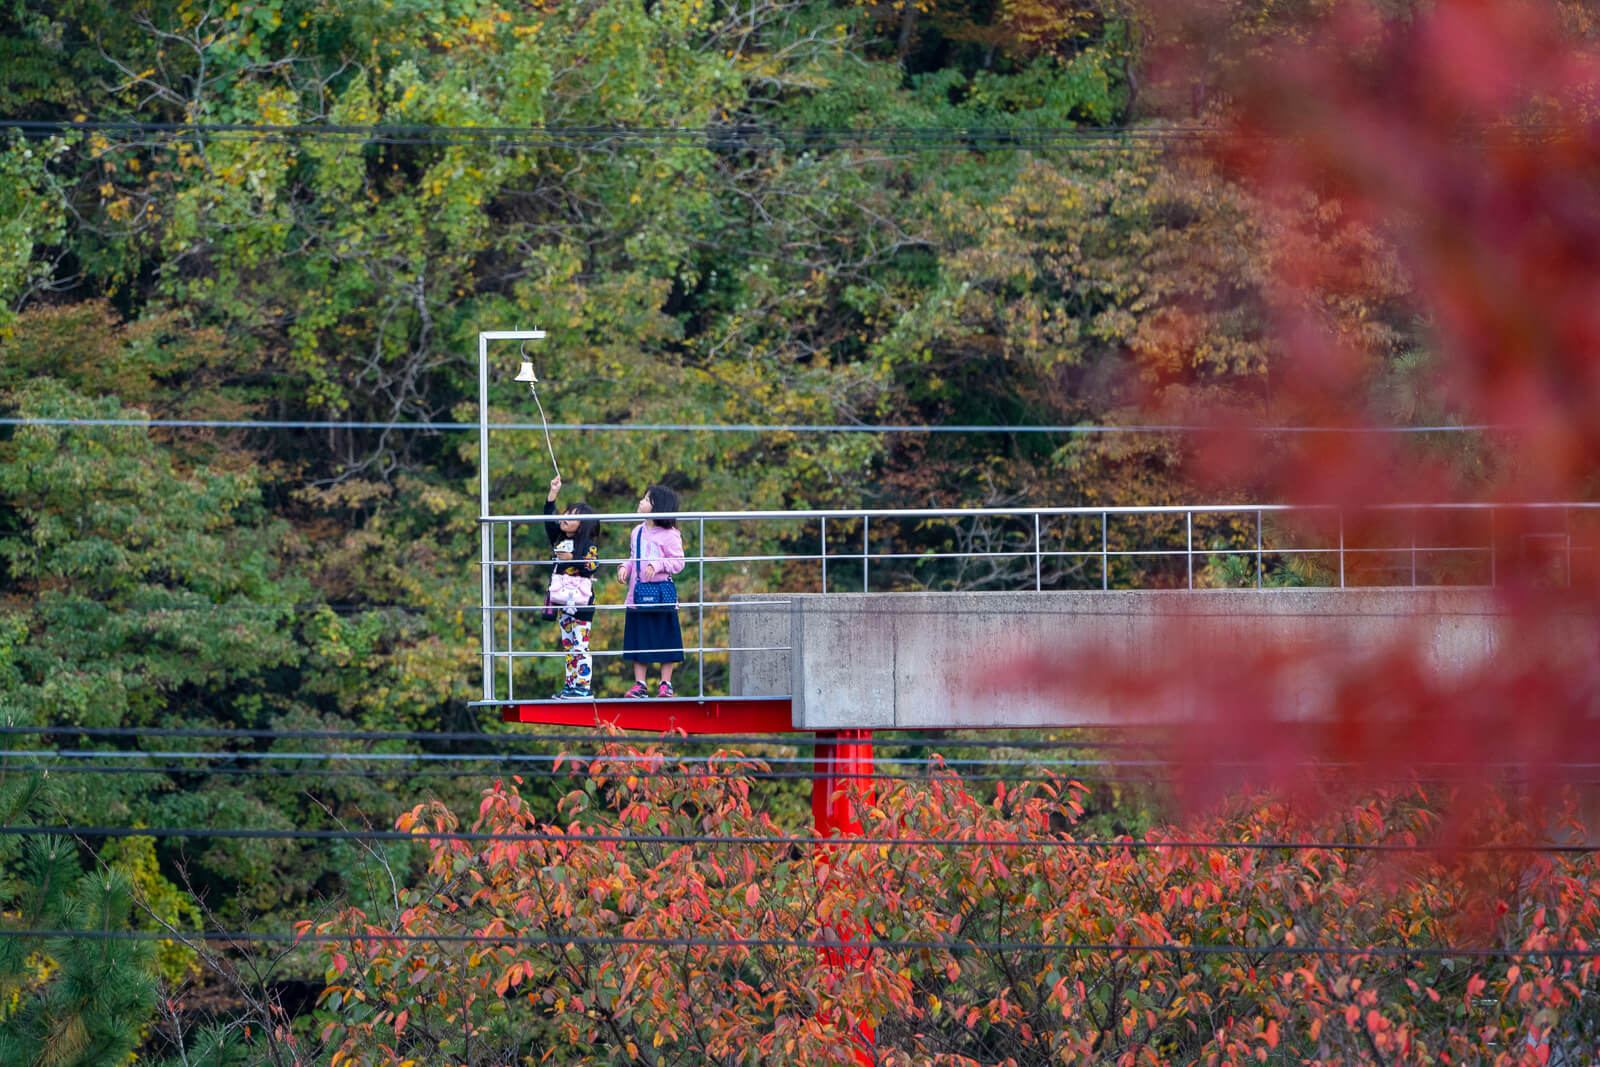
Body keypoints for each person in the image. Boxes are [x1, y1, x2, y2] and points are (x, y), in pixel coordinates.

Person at [618, 483, 686, 698]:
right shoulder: (637, 531)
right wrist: (625, 568)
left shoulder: (671, 534)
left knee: (666, 637)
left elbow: (678, 562)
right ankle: (640, 683)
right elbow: (633, 557)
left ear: (659, 507)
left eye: (647, 499)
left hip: (661, 595)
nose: (641, 501)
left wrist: (657, 565)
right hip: (638, 594)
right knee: (639, 638)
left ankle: (666, 682)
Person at [543, 476, 600, 699]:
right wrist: (552, 495)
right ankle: (570, 685)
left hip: (582, 604)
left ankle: (583, 686)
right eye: (565, 513)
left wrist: (572, 558)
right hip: (562, 602)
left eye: (573, 516)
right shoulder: (558, 537)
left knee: (580, 645)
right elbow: (548, 521)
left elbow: (591, 567)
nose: (565, 518)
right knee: (568, 645)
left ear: (583, 524)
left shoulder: (588, 544)